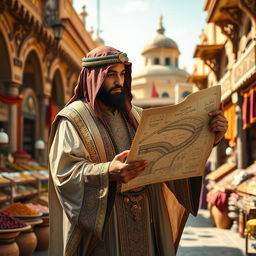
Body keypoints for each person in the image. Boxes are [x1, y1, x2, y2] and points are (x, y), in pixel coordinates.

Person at [48, 46, 228, 256]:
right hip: (106, 234)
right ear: (93, 77)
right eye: (111, 75)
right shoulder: (73, 119)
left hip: (145, 223)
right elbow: (65, 173)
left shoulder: (139, 117)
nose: (119, 81)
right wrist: (107, 172)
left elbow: (171, 158)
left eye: (123, 74)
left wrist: (209, 138)